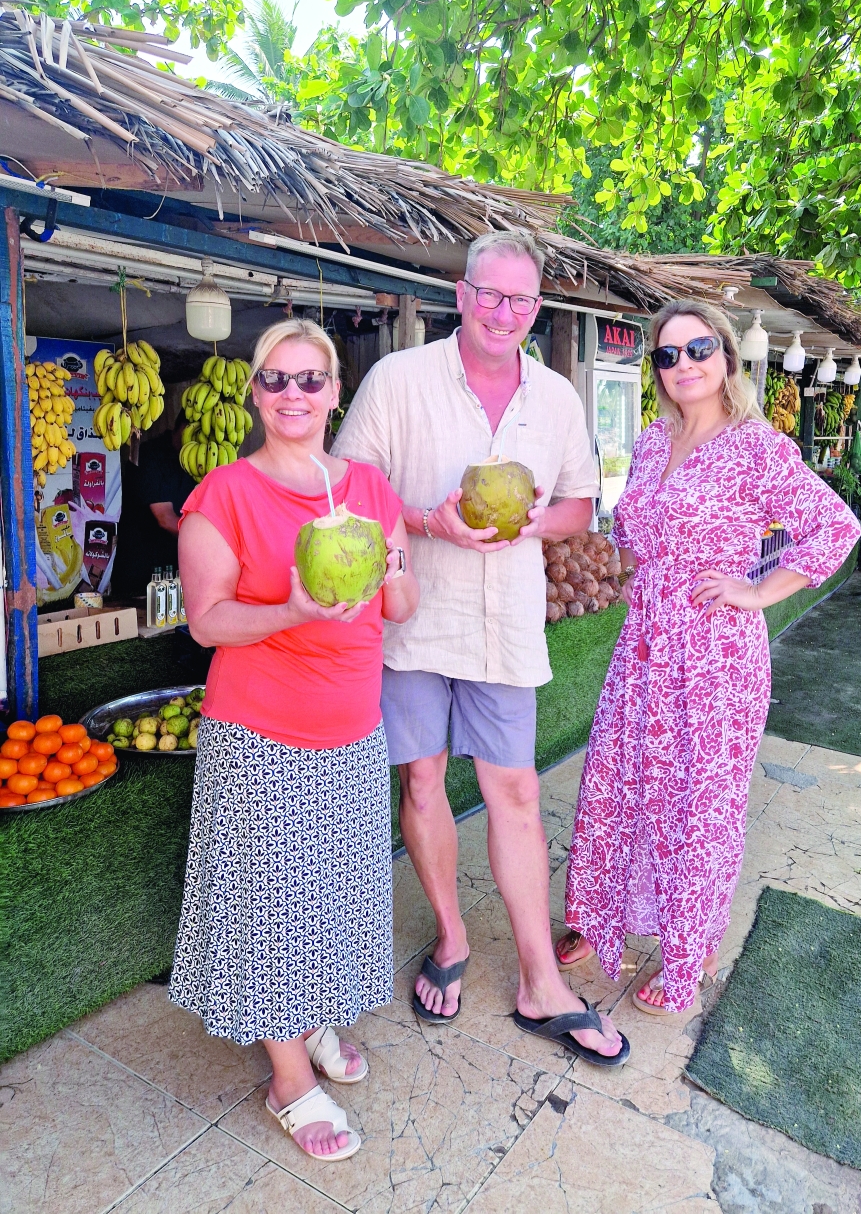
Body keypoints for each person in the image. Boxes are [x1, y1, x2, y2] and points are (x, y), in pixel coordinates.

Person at [334, 229, 628, 1068]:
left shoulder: (556, 397)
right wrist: (430, 521)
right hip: (417, 620)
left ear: (537, 310)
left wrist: (541, 521)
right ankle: (454, 937)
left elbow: (580, 501)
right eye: (490, 295)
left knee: (517, 793)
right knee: (423, 778)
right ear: (461, 296)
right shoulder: (398, 381)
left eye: (522, 300)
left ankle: (542, 979)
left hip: (507, 625)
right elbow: (352, 488)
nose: (505, 313)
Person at [558, 301, 861, 1014]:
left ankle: (688, 952)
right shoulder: (652, 438)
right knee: (621, 783)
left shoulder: (756, 445)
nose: (684, 364)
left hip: (715, 657)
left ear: (725, 356)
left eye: (698, 349)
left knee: (699, 809)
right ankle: (605, 915)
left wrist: (757, 591)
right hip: (642, 650)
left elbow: (834, 524)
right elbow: (632, 536)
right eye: (667, 354)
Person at [171, 318, 418, 1163]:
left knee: (328, 893)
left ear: (335, 392)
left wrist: (390, 572)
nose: (293, 395)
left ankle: (308, 1021)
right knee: (272, 903)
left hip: (352, 727)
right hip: (261, 731)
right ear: (255, 391)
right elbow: (208, 621)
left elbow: (402, 604)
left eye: (311, 379)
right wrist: (295, 610)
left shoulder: (371, 492)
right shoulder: (225, 494)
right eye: (275, 379)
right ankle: (286, 1077)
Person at [112, 411, 195, 599]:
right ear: (181, 427)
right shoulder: (149, 456)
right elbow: (165, 518)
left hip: (173, 576)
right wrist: (204, 541)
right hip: (140, 576)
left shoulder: (194, 462)